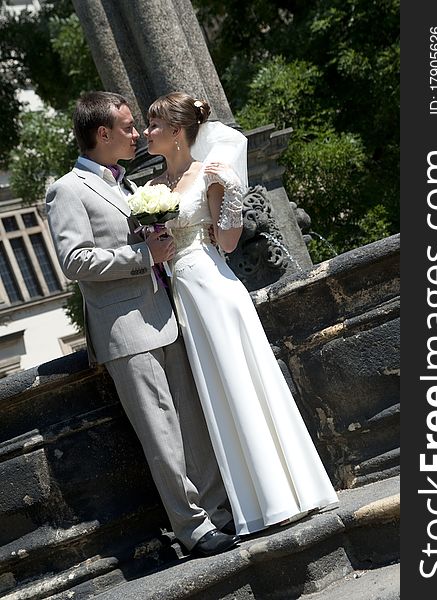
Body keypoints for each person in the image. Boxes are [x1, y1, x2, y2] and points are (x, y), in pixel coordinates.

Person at [45, 91, 240, 557]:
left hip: (167, 314)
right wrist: (141, 256)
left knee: (192, 422)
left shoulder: (127, 185)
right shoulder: (67, 188)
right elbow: (74, 260)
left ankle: (220, 513)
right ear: (103, 134)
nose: (136, 135)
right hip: (125, 330)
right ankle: (192, 528)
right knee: (162, 434)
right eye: (129, 127)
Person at [143, 91, 339, 536]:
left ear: (177, 133)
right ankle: (257, 501)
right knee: (219, 394)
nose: (147, 132)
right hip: (182, 297)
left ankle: (290, 494)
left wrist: (230, 189)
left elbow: (227, 243)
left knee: (244, 382)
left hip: (214, 289)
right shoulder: (153, 190)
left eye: (154, 125)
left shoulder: (205, 173)